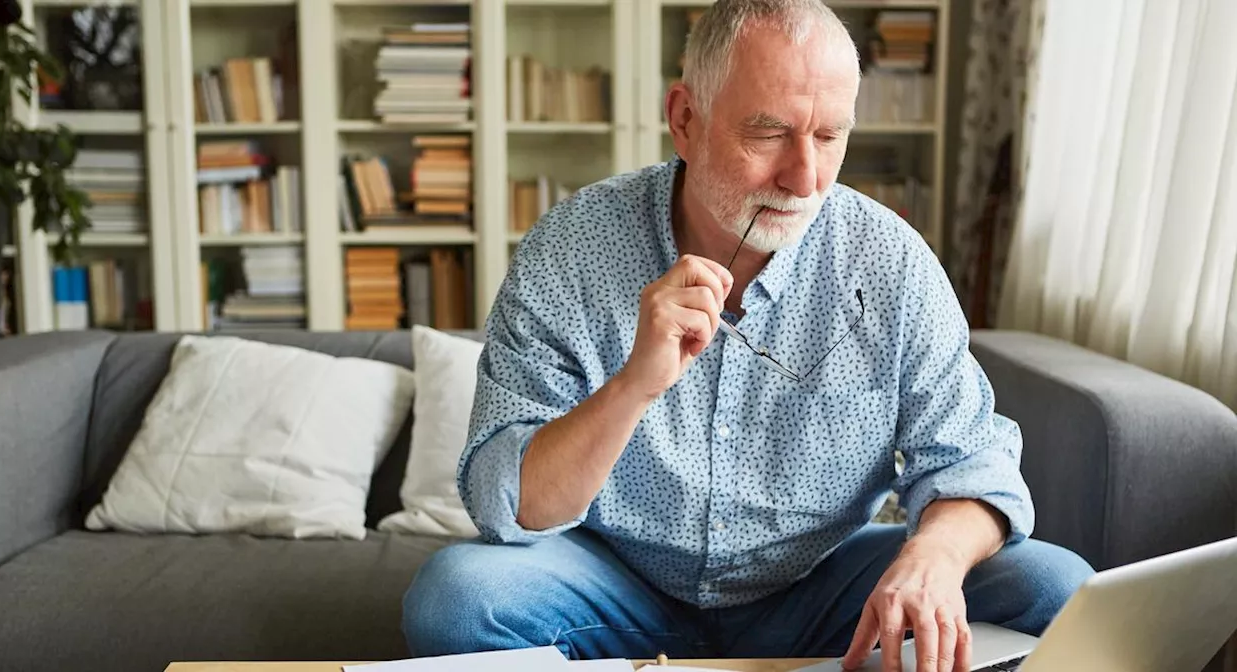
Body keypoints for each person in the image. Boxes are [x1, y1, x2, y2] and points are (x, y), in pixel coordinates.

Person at [402, 1, 1094, 670]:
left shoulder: (891, 263)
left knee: (1054, 586)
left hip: (820, 592)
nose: (804, 178)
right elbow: (507, 506)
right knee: (459, 600)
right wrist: (632, 387)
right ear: (684, 118)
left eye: (829, 137)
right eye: (768, 134)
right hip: (617, 588)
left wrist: (932, 559)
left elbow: (973, 463)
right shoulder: (573, 248)